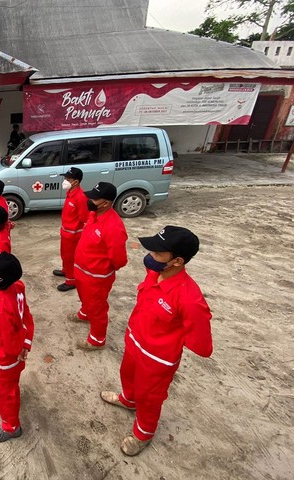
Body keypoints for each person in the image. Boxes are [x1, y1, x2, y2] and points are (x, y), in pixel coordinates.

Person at [100, 226, 212, 456]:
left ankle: (143, 433)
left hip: (157, 360)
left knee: (149, 398)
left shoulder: (190, 298)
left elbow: (202, 346)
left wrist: (171, 340)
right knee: (127, 376)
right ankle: (128, 400)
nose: (150, 256)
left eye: (158, 253)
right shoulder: (153, 274)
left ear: (178, 261)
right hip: (134, 343)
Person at [0, 252, 34, 442]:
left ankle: (11, 427)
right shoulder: (17, 286)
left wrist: (16, 350)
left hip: (3, 359)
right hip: (7, 354)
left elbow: (9, 344)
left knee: (5, 391)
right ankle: (3, 395)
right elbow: (26, 314)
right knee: (6, 386)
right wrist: (26, 342)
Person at [70, 182, 128, 349]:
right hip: (82, 271)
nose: (90, 200)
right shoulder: (94, 214)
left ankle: (97, 339)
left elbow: (119, 259)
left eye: (95, 199)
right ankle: (85, 313)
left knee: (98, 308)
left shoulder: (114, 226)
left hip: (96, 277)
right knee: (85, 298)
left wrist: (102, 268)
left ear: (106, 203)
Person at [53, 167, 89, 292]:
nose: (65, 181)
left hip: (73, 235)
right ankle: (65, 270)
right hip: (66, 232)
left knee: (70, 257)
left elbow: (84, 218)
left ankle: (71, 280)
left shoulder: (80, 197)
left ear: (76, 182)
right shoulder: (70, 193)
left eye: (68, 179)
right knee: (64, 255)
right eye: (65, 178)